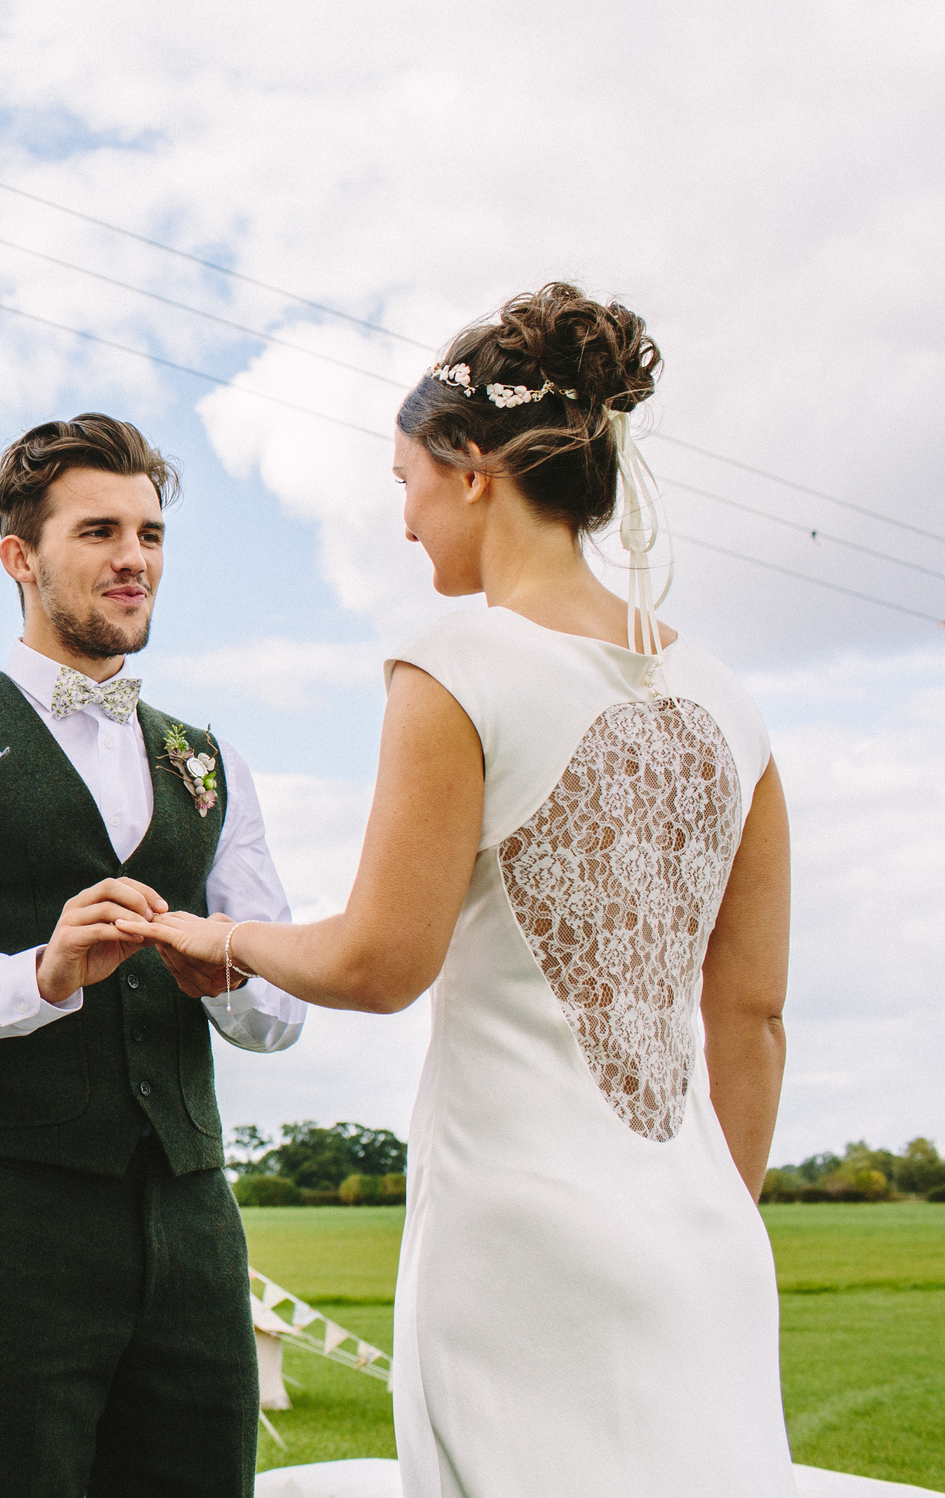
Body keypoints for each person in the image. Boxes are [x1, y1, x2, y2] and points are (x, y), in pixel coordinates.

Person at [122, 284, 796, 1498]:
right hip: (707, 1249)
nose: (403, 520)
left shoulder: (453, 667)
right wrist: (703, 1217)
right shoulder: (731, 699)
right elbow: (749, 1015)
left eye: (404, 482)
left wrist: (220, 933)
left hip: (520, 1244)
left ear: (474, 468)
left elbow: (381, 964)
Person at [0, 413, 309, 1498]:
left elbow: (282, 1007)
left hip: (193, 1221)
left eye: (149, 531)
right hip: (9, 1226)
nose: (133, 557)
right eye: (99, 529)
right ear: (20, 556)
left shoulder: (209, 758)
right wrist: (38, 975)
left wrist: (230, 972)